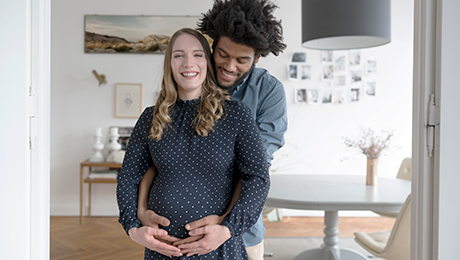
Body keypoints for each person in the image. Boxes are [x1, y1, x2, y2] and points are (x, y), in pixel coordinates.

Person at [137, 1, 288, 259]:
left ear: (257, 58)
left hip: (240, 234)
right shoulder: (187, 84)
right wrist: (141, 213)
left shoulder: (269, 92)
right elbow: (157, 160)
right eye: (223, 55)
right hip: (171, 239)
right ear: (212, 46)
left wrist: (225, 225)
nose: (230, 67)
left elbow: (254, 168)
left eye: (242, 60)